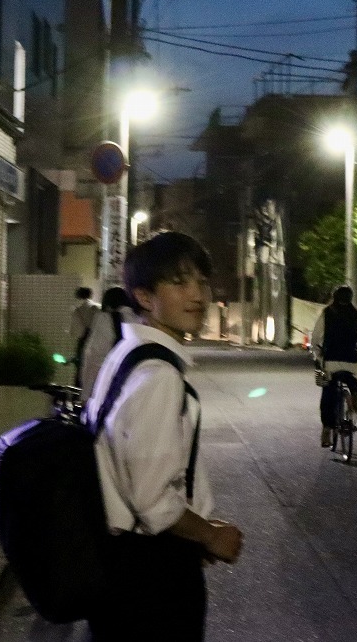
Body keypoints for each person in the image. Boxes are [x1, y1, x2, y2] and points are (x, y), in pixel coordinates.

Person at [84, 231, 244, 641]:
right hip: (150, 577)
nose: (197, 295)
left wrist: (192, 532)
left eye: (201, 282)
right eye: (179, 282)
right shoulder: (158, 375)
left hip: (125, 565)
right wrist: (211, 535)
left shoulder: (126, 356)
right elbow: (153, 500)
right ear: (144, 296)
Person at [311, 284, 357, 448]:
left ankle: (327, 429)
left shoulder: (327, 313)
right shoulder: (355, 314)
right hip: (351, 361)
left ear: (334, 297)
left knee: (328, 391)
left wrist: (317, 352)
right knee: (351, 379)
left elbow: (316, 336)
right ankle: (353, 395)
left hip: (331, 361)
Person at [79, 286, 138, 402]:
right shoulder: (141, 319)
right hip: (134, 386)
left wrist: (86, 394)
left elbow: (92, 356)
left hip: (107, 388)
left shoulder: (105, 319)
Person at [68, 286, 99, 385]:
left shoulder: (76, 310)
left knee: (80, 369)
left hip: (83, 342)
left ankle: (79, 394)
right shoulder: (97, 308)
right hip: (95, 341)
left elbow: (75, 332)